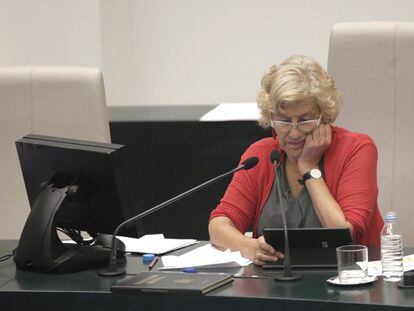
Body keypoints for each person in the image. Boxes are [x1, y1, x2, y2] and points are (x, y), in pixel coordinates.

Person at [208, 55, 384, 266]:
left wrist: (309, 167)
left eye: (305, 120)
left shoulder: (356, 149)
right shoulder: (261, 155)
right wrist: (250, 247)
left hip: (349, 279)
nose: (294, 133)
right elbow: (218, 226)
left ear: (324, 117)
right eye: (283, 121)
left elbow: (343, 236)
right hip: (274, 285)